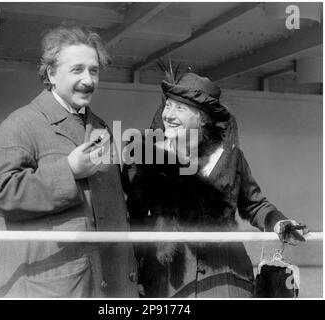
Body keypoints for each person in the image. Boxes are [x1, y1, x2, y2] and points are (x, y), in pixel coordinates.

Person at [122, 72, 307, 298]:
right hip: (167, 284)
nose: (168, 115)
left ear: (203, 119)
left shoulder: (231, 158)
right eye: (168, 106)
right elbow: (135, 219)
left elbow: (255, 205)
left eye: (180, 109)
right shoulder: (147, 158)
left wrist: (278, 222)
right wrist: (138, 273)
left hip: (227, 280)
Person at [0, 25, 138, 298]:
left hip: (109, 284)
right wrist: (68, 170)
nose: (88, 80)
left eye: (94, 70)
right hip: (54, 286)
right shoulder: (21, 124)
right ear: (51, 74)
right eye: (77, 69)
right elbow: (1, 194)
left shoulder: (100, 127)